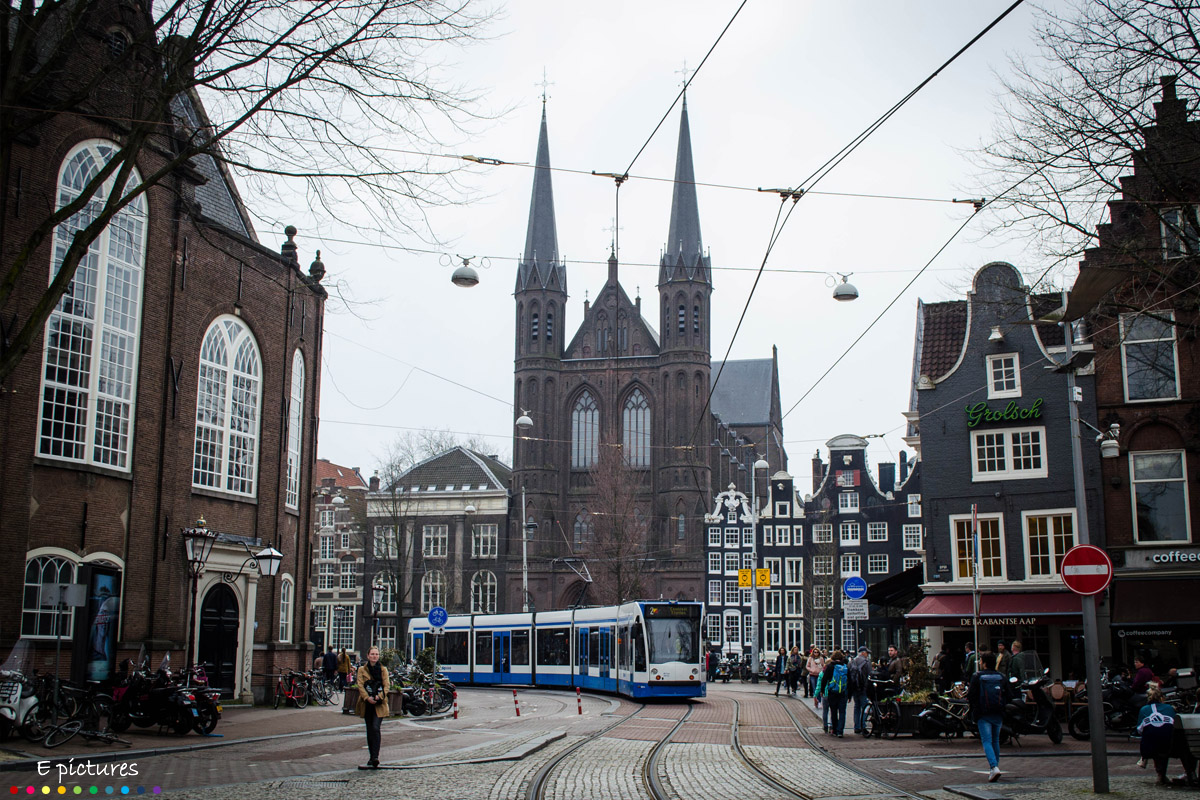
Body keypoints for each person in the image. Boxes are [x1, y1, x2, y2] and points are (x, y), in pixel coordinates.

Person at [968, 650, 1012, 783]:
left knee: (986, 740)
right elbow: (1009, 695)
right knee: (995, 740)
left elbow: (971, 696)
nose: (980, 663)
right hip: (997, 712)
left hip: (983, 713)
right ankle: (994, 767)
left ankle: (994, 767)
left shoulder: (977, 676)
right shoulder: (1001, 677)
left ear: (985, 663)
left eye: (981, 661)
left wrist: (974, 708)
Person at [354, 645, 390, 769]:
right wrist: (366, 697)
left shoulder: (383, 670)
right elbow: (360, 685)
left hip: (379, 704)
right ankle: (371, 756)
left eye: (377, 654)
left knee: (375, 727)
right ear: (368, 656)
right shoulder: (362, 670)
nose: (375, 656)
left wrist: (379, 697)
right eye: (373, 654)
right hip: (367, 704)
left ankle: (376, 756)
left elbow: (387, 686)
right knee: (369, 729)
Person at [820, 650, 850, 737]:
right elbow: (850, 681)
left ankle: (835, 730)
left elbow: (824, 679)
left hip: (832, 692)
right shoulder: (845, 667)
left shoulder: (830, 666)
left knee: (833, 711)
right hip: (843, 692)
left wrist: (822, 690)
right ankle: (841, 731)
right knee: (842, 712)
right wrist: (850, 694)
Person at [850, 646, 871, 734]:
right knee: (865, 707)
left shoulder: (852, 661)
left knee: (856, 707)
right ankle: (863, 726)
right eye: (867, 653)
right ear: (863, 653)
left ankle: (857, 726)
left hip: (855, 687)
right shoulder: (866, 662)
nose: (867, 655)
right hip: (863, 688)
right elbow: (870, 674)